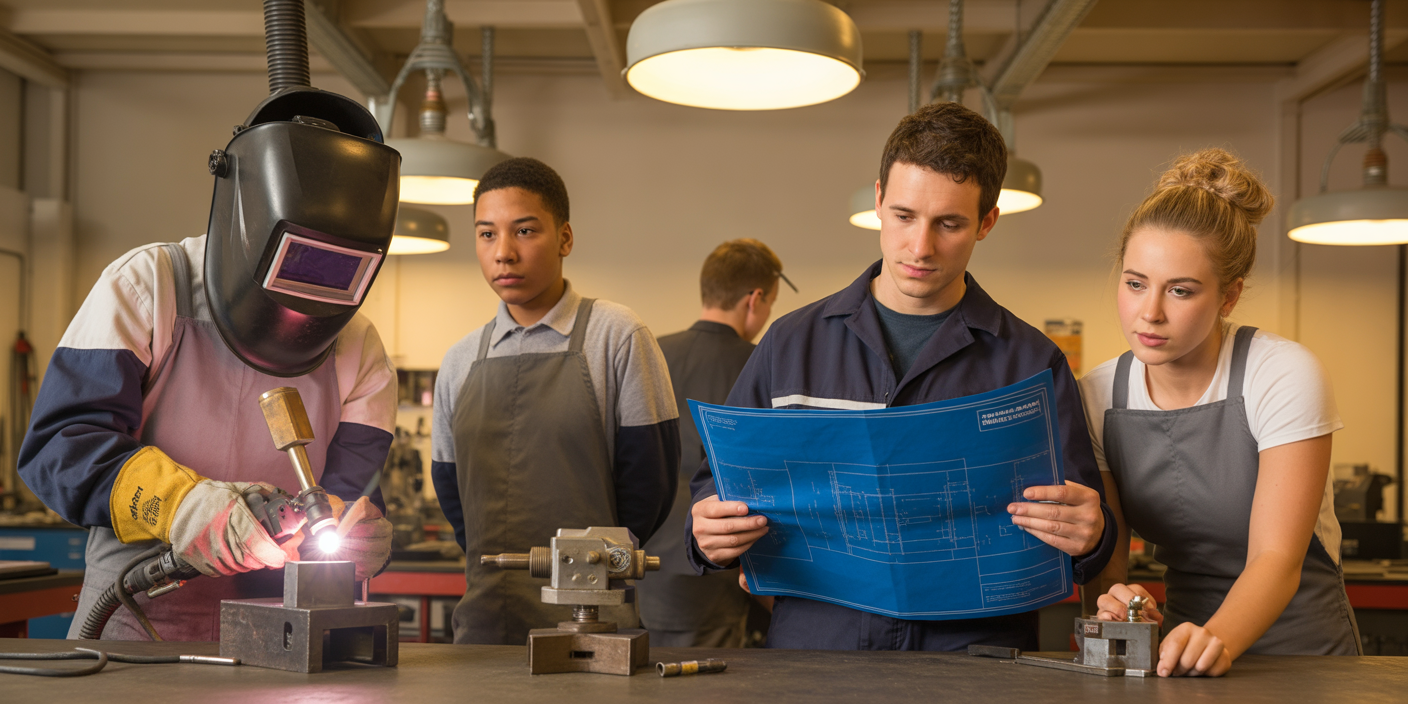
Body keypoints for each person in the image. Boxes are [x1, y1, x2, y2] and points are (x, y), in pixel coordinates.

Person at [685, 102, 1116, 651]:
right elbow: (715, 488)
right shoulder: (791, 344)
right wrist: (706, 533)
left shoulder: (1032, 364)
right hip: (819, 658)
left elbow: (1086, 522)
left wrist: (1092, 534)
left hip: (976, 663)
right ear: (879, 202)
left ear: (987, 222)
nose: (920, 247)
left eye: (950, 223)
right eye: (905, 215)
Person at [18, 84, 398, 640]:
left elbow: (352, 491)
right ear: (250, 220)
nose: (306, 298)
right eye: (298, 260)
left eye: (337, 272)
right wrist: (183, 506)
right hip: (131, 617)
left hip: (281, 633)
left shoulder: (358, 344)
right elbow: (62, 447)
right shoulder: (147, 286)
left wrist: (360, 533)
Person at [1081, 149, 1360, 677]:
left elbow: (1276, 562)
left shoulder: (1282, 374)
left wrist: (1215, 640)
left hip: (1306, 655)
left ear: (1229, 297)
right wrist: (1113, 600)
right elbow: (1109, 556)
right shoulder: (1097, 396)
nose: (1150, 312)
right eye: (1135, 282)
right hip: (1179, 650)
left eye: (1181, 290)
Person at [431, 157, 680, 645]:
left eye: (524, 231)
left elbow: (649, 485)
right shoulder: (459, 361)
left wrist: (598, 566)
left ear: (564, 238)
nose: (504, 253)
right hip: (483, 628)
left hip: (593, 628)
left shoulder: (617, 336)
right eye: (487, 234)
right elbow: (453, 491)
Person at [638, 239, 794, 648]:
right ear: (755, 298)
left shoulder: (646, 354)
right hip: (714, 578)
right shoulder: (762, 368)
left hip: (634, 573)